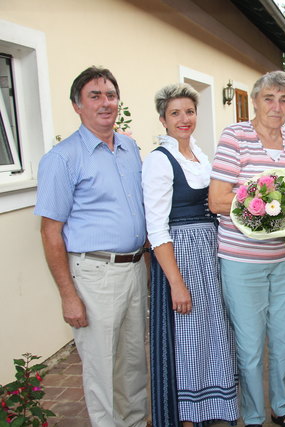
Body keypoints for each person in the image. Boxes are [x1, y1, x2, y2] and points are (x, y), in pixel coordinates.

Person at [35, 66, 147, 427]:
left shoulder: (130, 147)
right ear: (77, 106)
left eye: (110, 95)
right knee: (101, 369)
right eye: (94, 96)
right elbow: (51, 232)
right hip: (95, 275)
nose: (105, 103)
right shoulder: (62, 159)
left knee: (133, 363)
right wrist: (68, 295)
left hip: (135, 269)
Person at [210, 71, 285, 427]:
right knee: (250, 346)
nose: (276, 107)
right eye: (269, 98)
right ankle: (252, 416)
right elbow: (218, 199)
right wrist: (264, 205)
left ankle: (280, 408)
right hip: (242, 260)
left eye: (284, 99)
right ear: (255, 101)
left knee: (284, 340)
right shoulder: (235, 137)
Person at [142, 83, 239, 426]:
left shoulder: (200, 154)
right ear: (163, 120)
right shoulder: (159, 161)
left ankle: (212, 408)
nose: (184, 119)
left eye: (189, 111)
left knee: (211, 332)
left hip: (208, 250)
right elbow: (156, 228)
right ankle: (187, 415)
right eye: (175, 113)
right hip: (181, 256)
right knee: (187, 339)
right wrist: (176, 284)